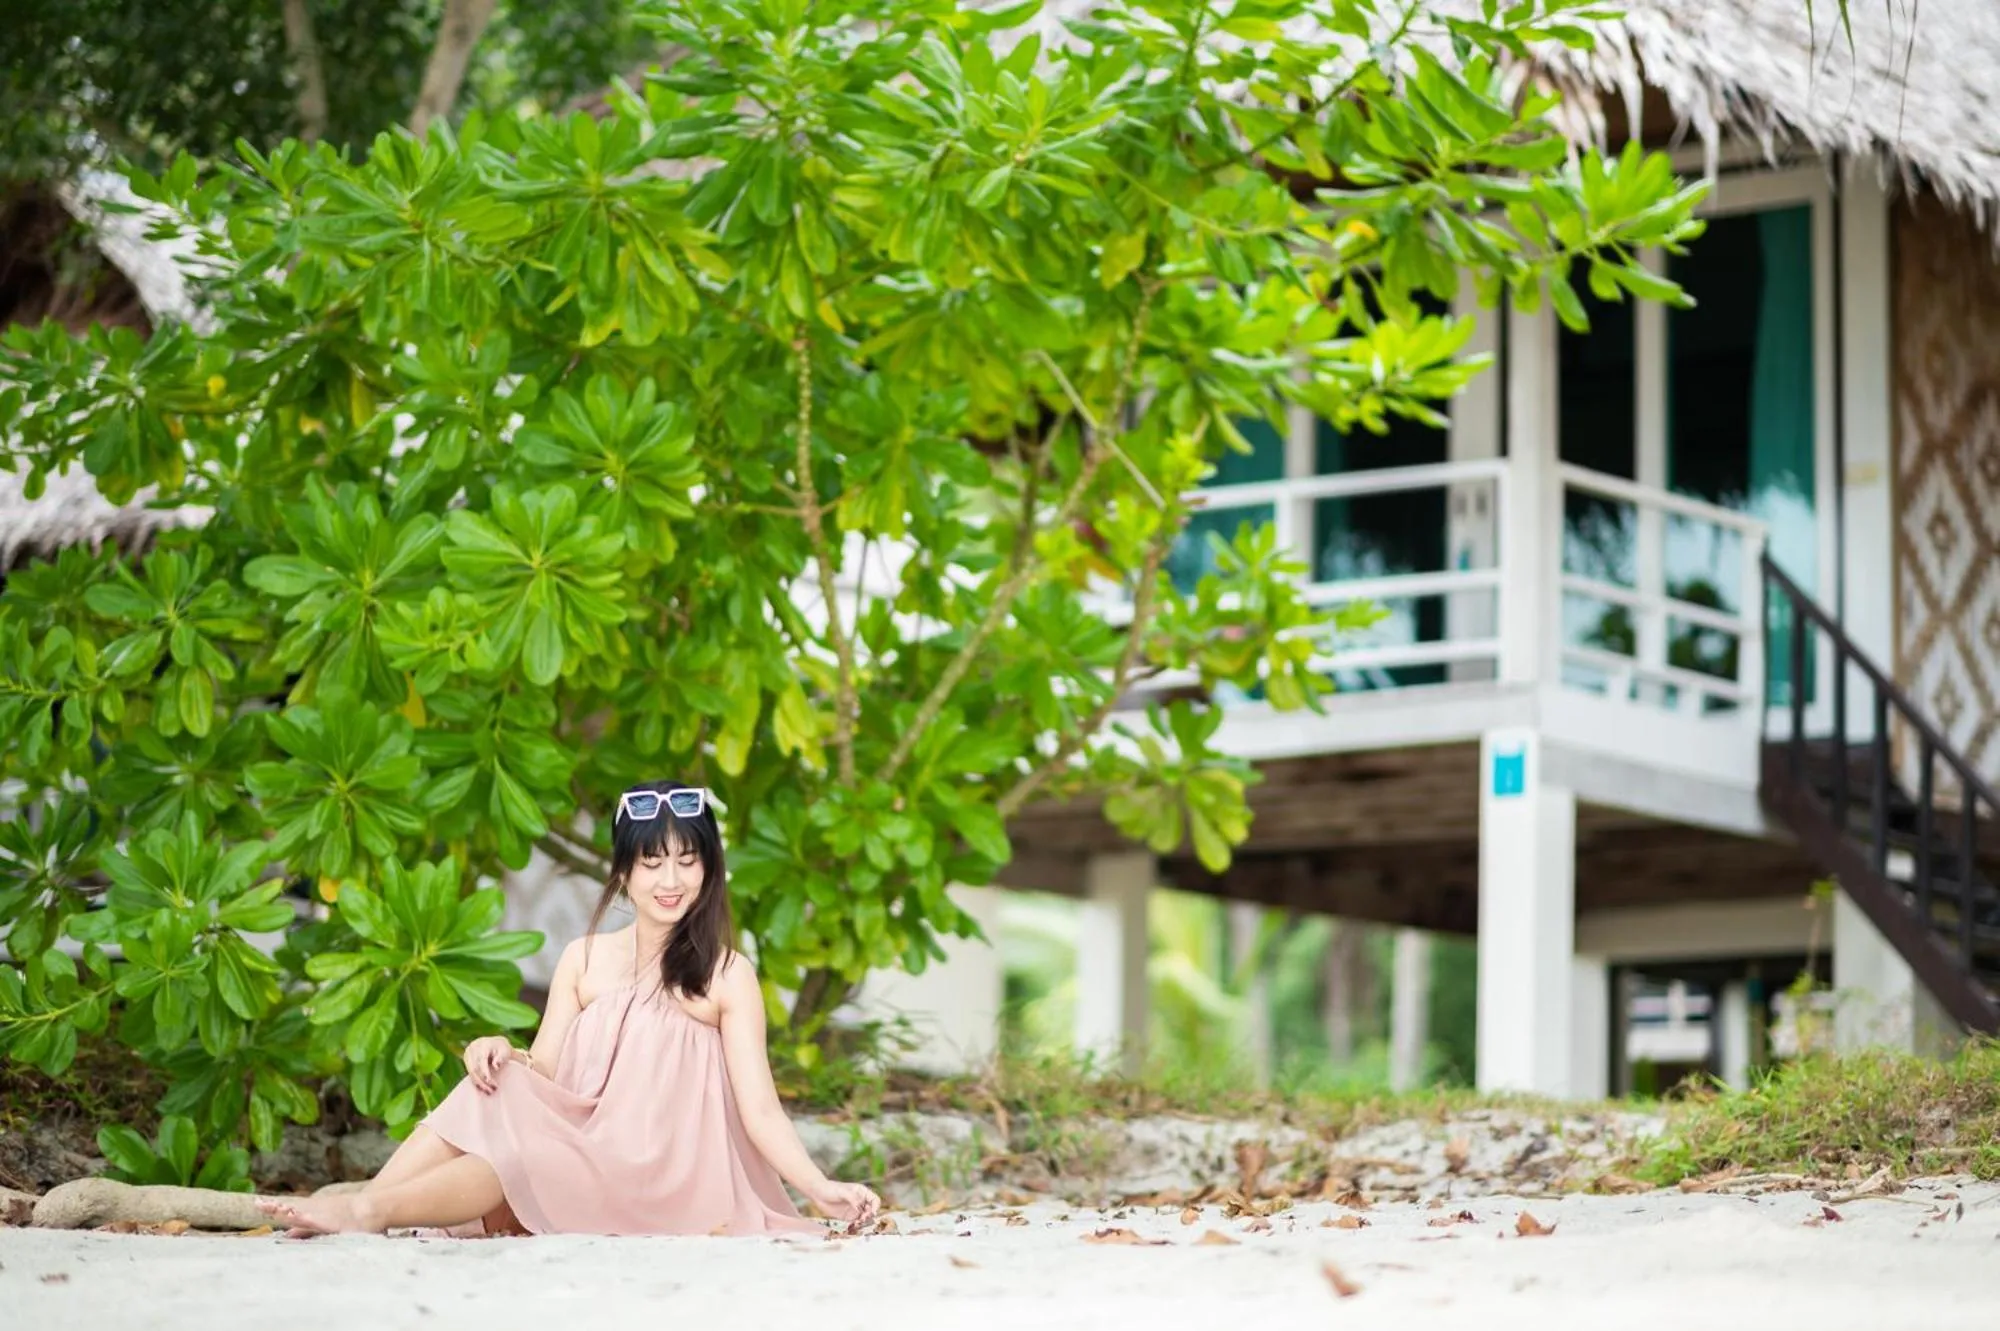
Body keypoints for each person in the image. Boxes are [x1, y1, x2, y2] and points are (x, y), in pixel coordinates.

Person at [256, 779, 881, 1238]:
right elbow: (545, 1076)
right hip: (582, 1144)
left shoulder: (725, 974)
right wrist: (499, 1050)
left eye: (688, 862)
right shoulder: (583, 959)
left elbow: (761, 1110)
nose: (672, 881)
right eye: (652, 862)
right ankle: (368, 1203)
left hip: (655, 1180)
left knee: (527, 1157)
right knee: (495, 1086)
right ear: (624, 871)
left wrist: (819, 1189)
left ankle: (368, 1210)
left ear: (709, 871)